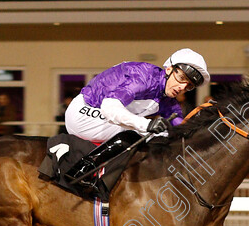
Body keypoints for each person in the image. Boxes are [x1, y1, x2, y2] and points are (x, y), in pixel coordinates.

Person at [63, 48, 209, 192]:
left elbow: (181, 130)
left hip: (102, 118)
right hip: (84, 112)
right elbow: (110, 108)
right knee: (136, 134)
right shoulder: (143, 76)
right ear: (169, 69)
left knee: (162, 135)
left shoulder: (168, 100)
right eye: (182, 78)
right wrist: (147, 124)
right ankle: (81, 171)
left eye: (189, 86)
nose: (182, 87)